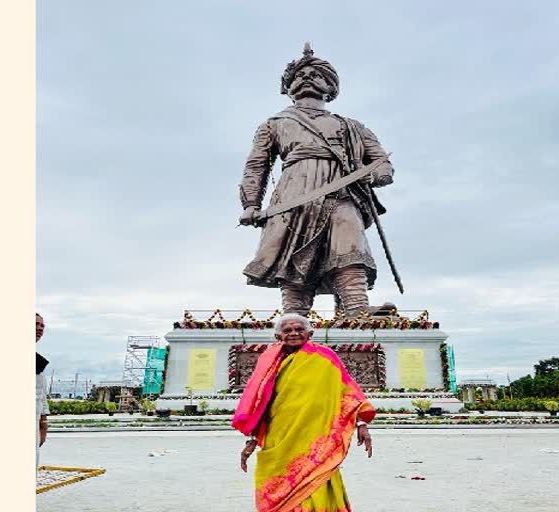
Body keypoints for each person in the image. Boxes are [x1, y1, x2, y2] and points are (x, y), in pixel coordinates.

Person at [238, 43, 395, 319]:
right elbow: (256, 165)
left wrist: (375, 174)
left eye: (316, 74)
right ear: (289, 87)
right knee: (293, 252)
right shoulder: (273, 124)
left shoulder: (352, 126)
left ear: (330, 87)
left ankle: (356, 308)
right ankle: (294, 315)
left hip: (342, 192)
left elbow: (383, 164)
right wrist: (251, 203)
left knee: (349, 244)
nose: (307, 77)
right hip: (292, 194)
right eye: (300, 75)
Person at [233, 313, 375, 512]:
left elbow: (349, 394)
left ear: (310, 333)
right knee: (277, 482)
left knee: (316, 479)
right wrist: (253, 439)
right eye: (287, 330)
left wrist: (361, 424)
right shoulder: (270, 361)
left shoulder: (325, 357)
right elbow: (261, 401)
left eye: (299, 329)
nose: (294, 333)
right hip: (280, 434)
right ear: (278, 336)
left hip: (317, 436)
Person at [36, 313, 50, 469]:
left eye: (42, 326)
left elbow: (41, 396)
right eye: (35, 324)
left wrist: (44, 425)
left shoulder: (38, 363)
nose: (39, 328)